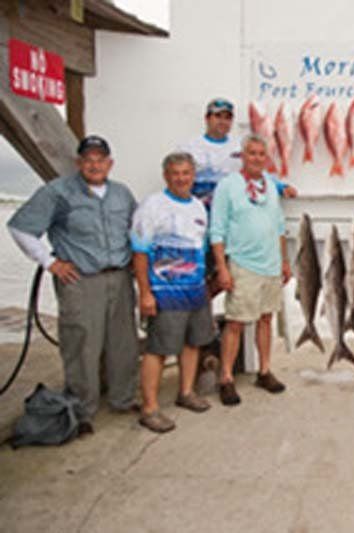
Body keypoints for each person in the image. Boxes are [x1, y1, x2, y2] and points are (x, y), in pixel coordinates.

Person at [7, 135, 139, 434]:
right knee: (81, 345)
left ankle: (123, 398)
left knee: (124, 342)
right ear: (79, 162)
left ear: (110, 163)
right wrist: (49, 262)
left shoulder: (122, 194)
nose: (95, 165)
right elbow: (20, 227)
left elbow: (136, 229)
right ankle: (82, 410)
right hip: (80, 280)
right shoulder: (58, 192)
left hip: (119, 277)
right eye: (88, 159)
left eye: (100, 159)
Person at [131, 152, 215, 433]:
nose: (181, 178)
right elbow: (140, 252)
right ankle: (150, 408)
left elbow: (200, 249)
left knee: (193, 343)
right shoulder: (152, 205)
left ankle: (186, 392)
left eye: (186, 173)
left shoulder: (198, 208)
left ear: (193, 176)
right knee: (157, 350)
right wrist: (145, 292)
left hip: (195, 290)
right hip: (164, 292)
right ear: (166, 175)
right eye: (175, 173)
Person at [209, 134, 291, 405]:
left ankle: (264, 370)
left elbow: (279, 226)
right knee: (235, 323)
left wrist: (284, 261)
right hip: (242, 264)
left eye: (261, 154)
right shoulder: (228, 186)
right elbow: (217, 230)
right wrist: (222, 268)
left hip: (270, 265)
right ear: (242, 156)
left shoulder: (269, 185)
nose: (256, 158)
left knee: (266, 319)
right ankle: (227, 377)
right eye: (251, 153)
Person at [180, 98, 296, 210]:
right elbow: (177, 181)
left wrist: (281, 187)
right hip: (200, 211)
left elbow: (256, 172)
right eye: (218, 116)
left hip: (231, 212)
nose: (223, 121)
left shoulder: (240, 145)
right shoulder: (189, 148)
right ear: (207, 118)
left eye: (227, 118)